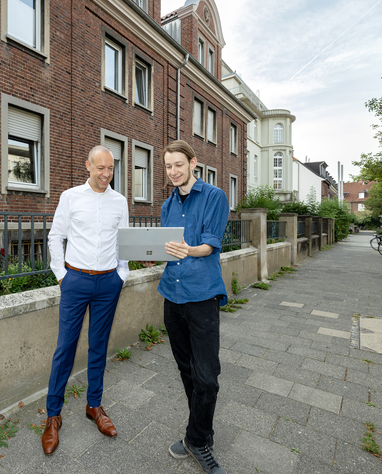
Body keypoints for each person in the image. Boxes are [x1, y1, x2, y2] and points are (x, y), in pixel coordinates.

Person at [41, 145, 129, 455]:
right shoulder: (70, 197)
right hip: (75, 280)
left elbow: (125, 241)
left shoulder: (120, 201)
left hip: (108, 283)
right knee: (65, 347)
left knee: (98, 347)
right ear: (87, 166)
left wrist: (122, 274)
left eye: (111, 169)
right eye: (100, 168)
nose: (106, 174)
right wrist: (61, 275)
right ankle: (53, 416)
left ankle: (94, 406)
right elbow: (56, 236)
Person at [159, 140, 229, 474]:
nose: (173, 172)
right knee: (186, 370)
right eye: (168, 166)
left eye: (178, 165)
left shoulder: (215, 196)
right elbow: (167, 248)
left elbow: (210, 245)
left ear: (193, 163)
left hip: (201, 297)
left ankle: (198, 440)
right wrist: (153, 252)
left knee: (208, 377)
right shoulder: (166, 206)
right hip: (171, 297)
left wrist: (187, 249)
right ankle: (197, 432)